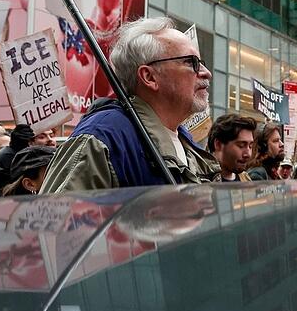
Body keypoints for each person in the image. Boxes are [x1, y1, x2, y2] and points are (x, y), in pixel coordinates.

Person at [41, 17, 220, 193]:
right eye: (191, 62)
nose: (206, 73)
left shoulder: (186, 139)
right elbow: (57, 220)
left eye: (201, 63)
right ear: (149, 77)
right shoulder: (101, 139)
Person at [206, 114, 257, 182]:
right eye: (241, 145)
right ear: (218, 144)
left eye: (250, 146)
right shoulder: (199, 181)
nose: (248, 154)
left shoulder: (246, 179)